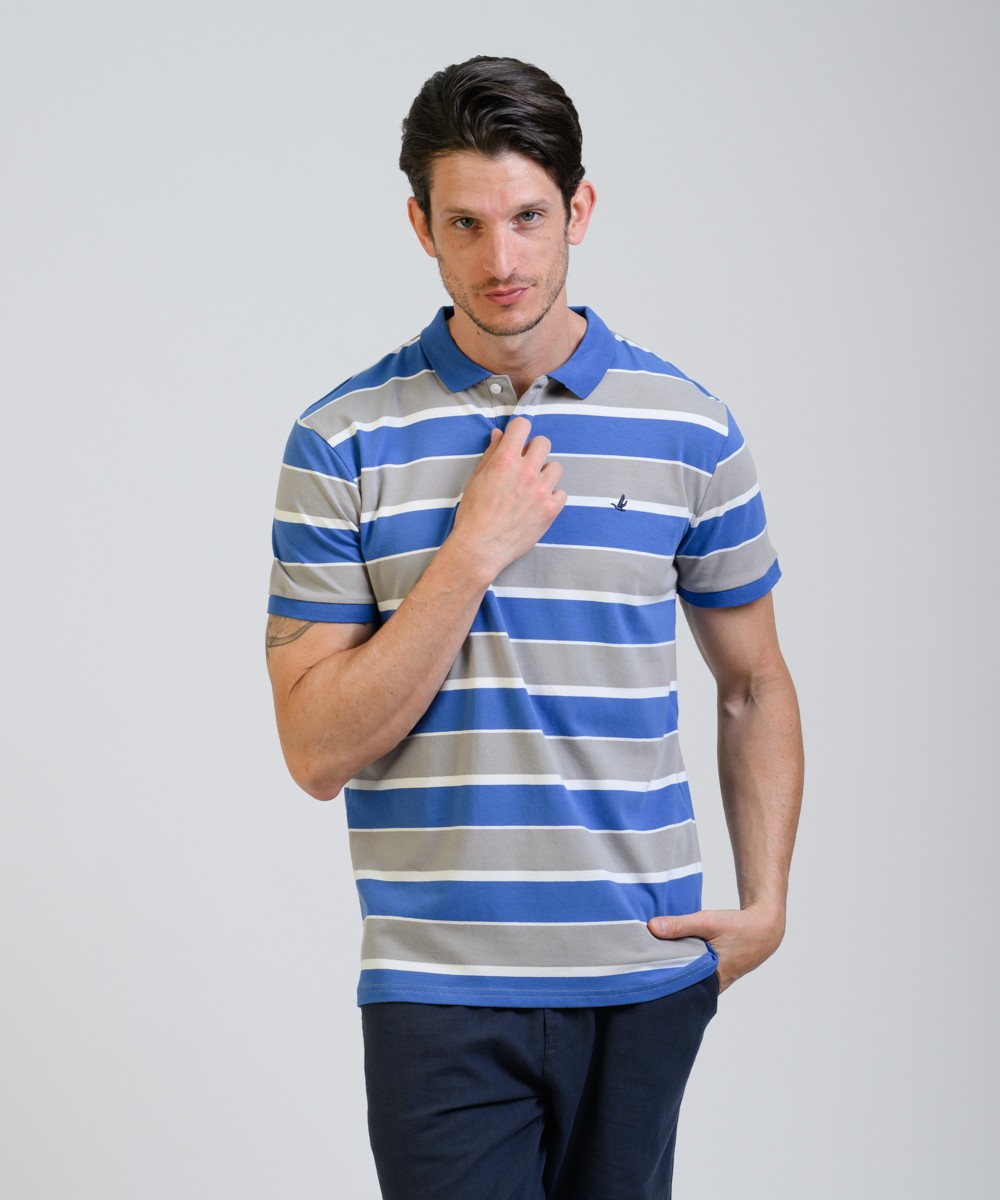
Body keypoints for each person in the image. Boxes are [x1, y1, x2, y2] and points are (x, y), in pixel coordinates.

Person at [266, 55, 802, 1200]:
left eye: (527, 218)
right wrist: (469, 554)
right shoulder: (340, 441)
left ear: (579, 209)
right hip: (437, 990)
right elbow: (314, 750)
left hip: (643, 978)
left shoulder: (691, 429)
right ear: (420, 225)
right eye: (464, 224)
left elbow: (752, 683)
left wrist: (764, 907)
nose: (500, 261)